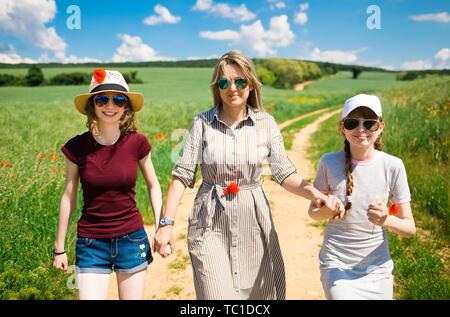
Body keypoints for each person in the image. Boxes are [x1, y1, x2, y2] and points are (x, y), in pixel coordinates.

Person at [153, 50, 344, 300]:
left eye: (240, 81)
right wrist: (165, 225)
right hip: (209, 221)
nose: (232, 87)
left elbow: (284, 173)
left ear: (251, 85)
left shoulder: (266, 123)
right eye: (224, 82)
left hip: (253, 221)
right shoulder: (201, 123)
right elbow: (181, 176)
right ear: (217, 88)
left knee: (259, 297)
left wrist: (317, 195)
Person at [52, 69, 163, 300]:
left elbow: (153, 185)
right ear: (93, 105)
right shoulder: (77, 147)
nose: (110, 105)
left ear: (126, 107)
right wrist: (59, 248)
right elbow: (68, 196)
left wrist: (162, 226)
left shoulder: (137, 142)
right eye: (102, 99)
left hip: (132, 239)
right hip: (91, 243)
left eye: (118, 99)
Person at [309, 93, 416, 300]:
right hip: (336, 263)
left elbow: (410, 228)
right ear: (342, 127)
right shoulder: (328, 162)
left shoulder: (393, 166)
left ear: (380, 127)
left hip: (377, 267)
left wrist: (387, 219)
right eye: (352, 123)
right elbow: (313, 213)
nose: (361, 130)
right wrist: (326, 211)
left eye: (369, 123)